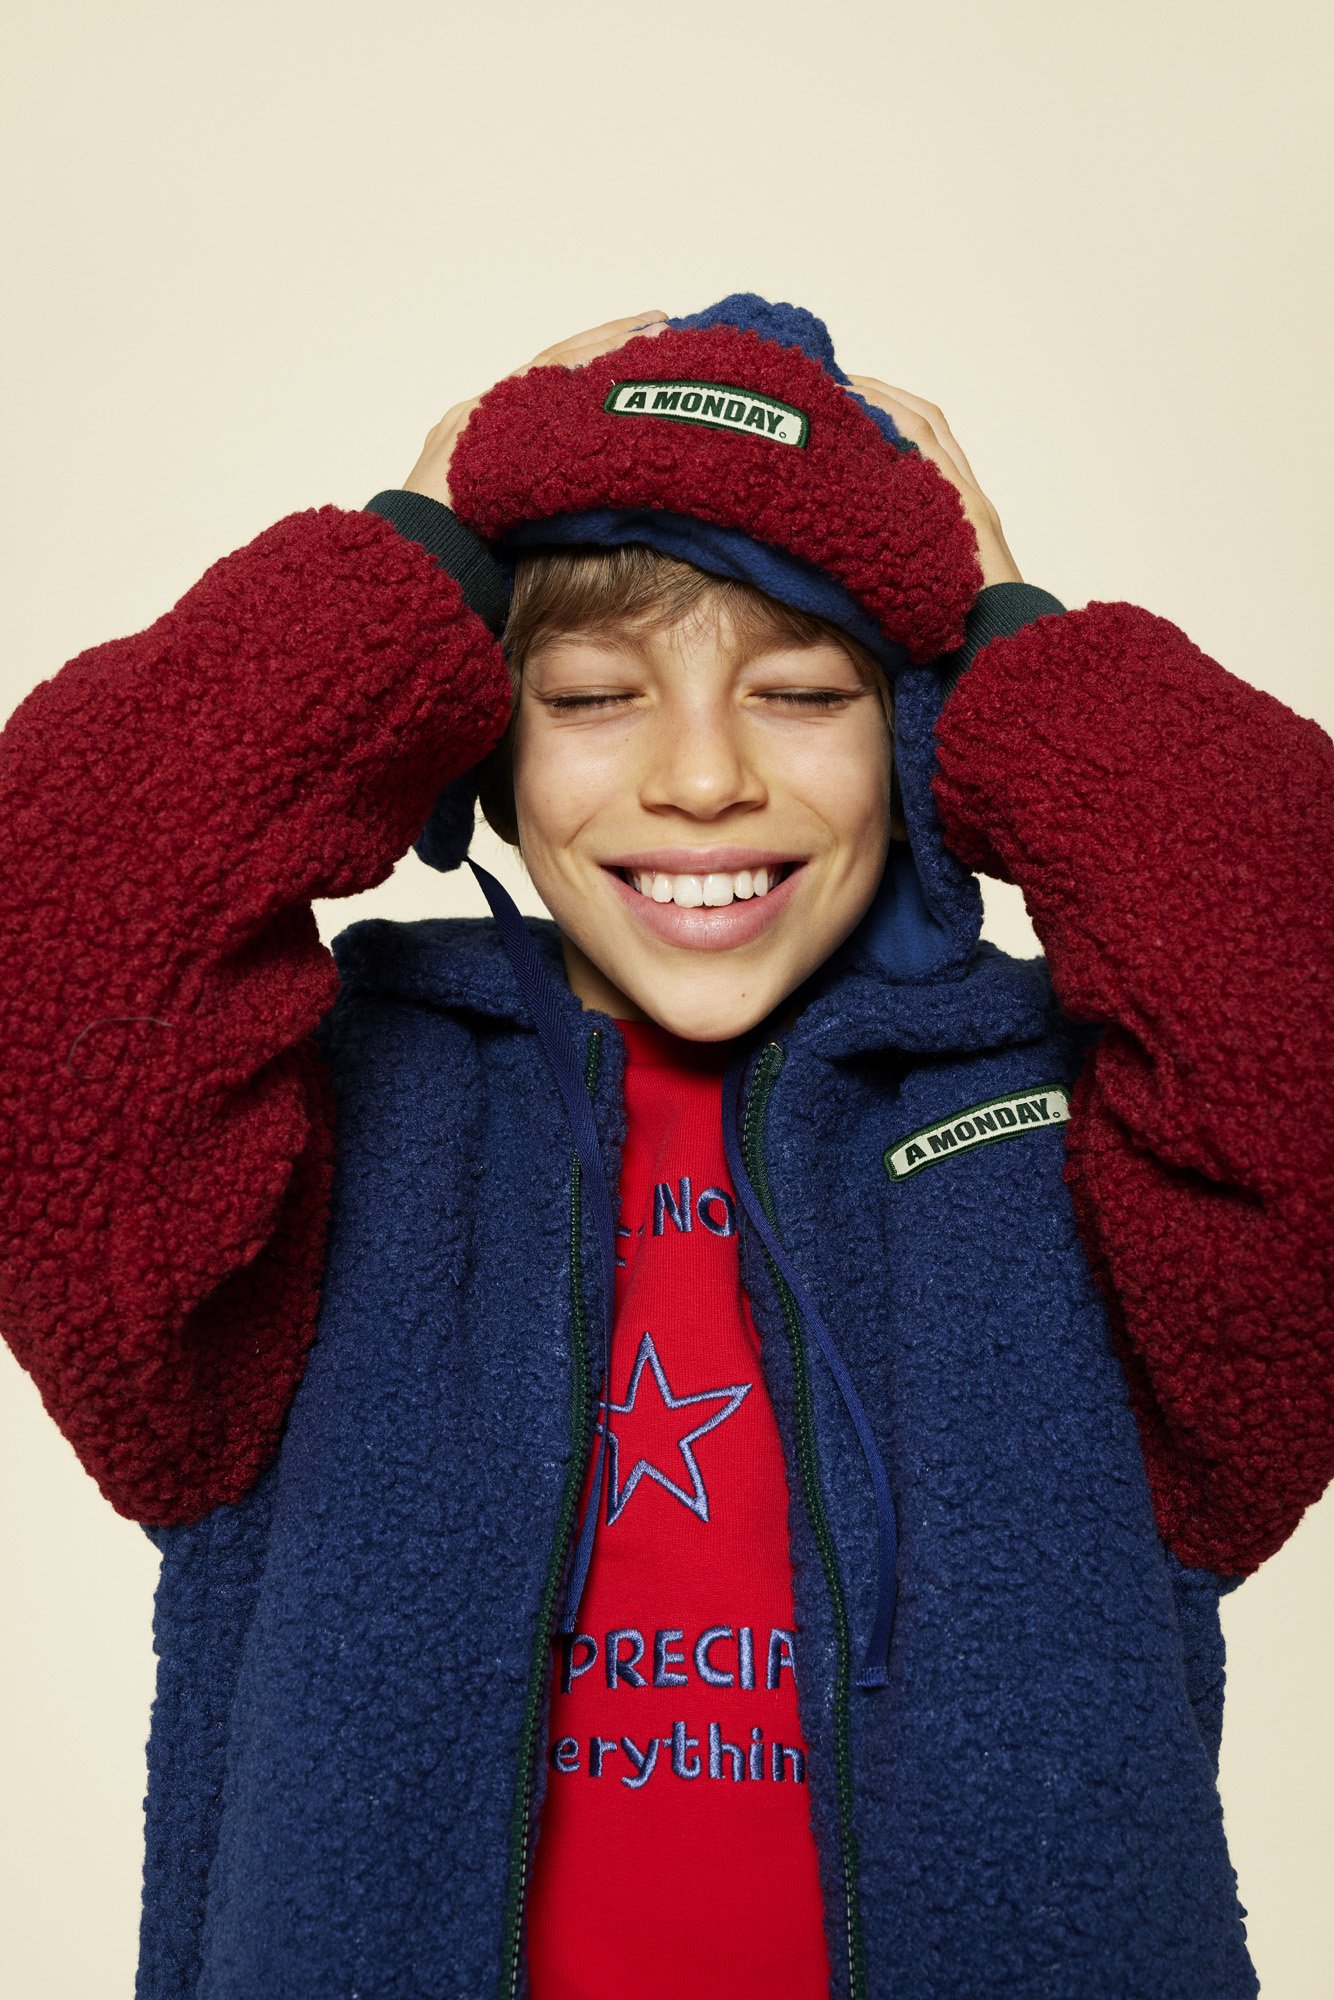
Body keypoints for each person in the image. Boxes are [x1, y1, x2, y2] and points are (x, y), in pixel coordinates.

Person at [1, 293, 1329, 2000]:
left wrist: (1023, 649)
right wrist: (399, 564)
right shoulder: (335, 1134)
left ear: (916, 751)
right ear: (482, 740)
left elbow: (1292, 984)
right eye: (590, 695)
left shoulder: (1060, 1151)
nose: (702, 779)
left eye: (798, 692)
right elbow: (55, 922)